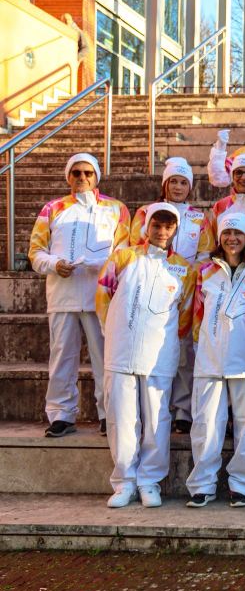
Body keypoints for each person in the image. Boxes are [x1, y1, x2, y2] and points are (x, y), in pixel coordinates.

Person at [96, 203, 197, 508]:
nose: (161, 232)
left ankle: (149, 480)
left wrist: (167, 341)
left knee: (156, 418)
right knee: (121, 418)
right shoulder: (123, 257)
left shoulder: (183, 269)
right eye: (157, 225)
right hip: (121, 349)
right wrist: (114, 331)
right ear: (147, 225)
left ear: (175, 230)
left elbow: (186, 314)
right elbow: (103, 296)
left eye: (168, 227)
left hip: (159, 353)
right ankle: (124, 481)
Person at [29, 153, 130, 438]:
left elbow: (124, 251)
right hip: (62, 295)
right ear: (68, 176)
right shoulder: (53, 208)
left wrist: (100, 265)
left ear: (97, 176)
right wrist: (54, 264)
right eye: (76, 173)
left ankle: (107, 414)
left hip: (101, 295)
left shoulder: (115, 208)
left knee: (103, 357)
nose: (82, 178)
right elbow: (35, 252)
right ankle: (61, 414)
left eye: (88, 173)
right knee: (61, 356)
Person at [186, 213, 245, 508]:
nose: (232, 238)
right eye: (227, 232)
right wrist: (201, 347)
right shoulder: (205, 271)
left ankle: (242, 484)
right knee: (206, 423)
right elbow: (196, 314)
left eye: (238, 233)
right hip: (210, 358)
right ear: (219, 238)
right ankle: (202, 483)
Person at [129, 157, 207, 434]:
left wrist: (186, 274)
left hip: (184, 286)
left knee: (185, 350)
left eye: (183, 182)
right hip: (150, 283)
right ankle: (149, 408)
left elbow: (206, 253)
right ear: (164, 184)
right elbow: (135, 244)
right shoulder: (145, 212)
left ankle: (183, 410)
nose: (177, 186)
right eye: (173, 181)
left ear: (190, 187)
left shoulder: (200, 217)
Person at [199, 153, 245, 262]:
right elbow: (214, 243)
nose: (244, 177)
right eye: (239, 172)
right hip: (226, 267)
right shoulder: (220, 206)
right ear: (232, 176)